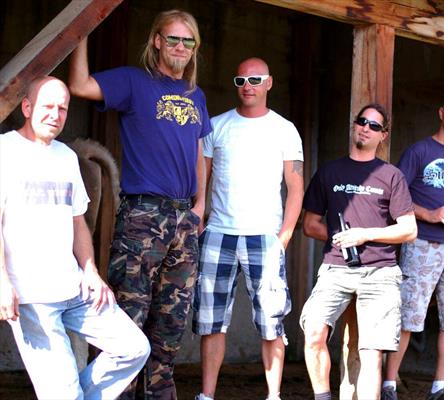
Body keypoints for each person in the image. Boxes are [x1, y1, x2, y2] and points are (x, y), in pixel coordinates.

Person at [68, 9, 211, 399]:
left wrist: (199, 205)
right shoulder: (135, 81)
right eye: (173, 38)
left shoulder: (196, 95)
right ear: (157, 41)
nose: (180, 46)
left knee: (170, 329)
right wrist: (80, 33)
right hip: (143, 217)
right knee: (127, 324)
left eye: (188, 40)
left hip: (184, 220)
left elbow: (198, 152)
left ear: (194, 47)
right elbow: (79, 85)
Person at [0, 76, 150, 400]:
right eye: (47, 106)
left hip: (74, 288)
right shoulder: (5, 151)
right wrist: (2, 281)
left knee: (134, 348)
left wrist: (90, 271)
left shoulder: (66, 156)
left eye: (62, 108)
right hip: (32, 296)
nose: (55, 115)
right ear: (26, 107)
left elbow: (78, 221)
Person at [192, 57, 304, 400]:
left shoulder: (284, 129)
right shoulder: (216, 126)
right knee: (211, 322)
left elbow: (296, 187)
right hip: (219, 234)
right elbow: (201, 179)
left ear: (269, 83)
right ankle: (206, 395)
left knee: (271, 321)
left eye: (255, 80)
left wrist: (284, 237)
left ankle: (274, 395)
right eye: (241, 81)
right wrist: (200, 217)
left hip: (265, 236)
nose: (248, 86)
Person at [301, 104, 417, 400]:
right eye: (362, 121)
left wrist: (365, 235)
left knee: (371, 353)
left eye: (374, 125)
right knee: (313, 333)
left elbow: (409, 230)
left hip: (381, 272)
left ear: (383, 135)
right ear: (354, 125)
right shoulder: (329, 171)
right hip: (335, 269)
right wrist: (342, 238)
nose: (366, 128)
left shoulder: (391, 175)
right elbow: (310, 225)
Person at [383, 93, 444, 400]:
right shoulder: (419, 151)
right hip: (421, 242)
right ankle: (389, 385)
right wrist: (429, 214)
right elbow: (394, 195)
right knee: (409, 313)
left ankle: (440, 386)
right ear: (441, 113)